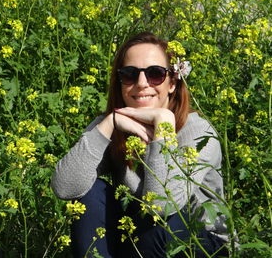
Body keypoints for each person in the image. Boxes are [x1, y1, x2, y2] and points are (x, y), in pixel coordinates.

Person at [51, 32, 228, 257]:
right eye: (130, 74)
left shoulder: (199, 132)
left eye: (155, 74)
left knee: (156, 226)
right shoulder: (114, 123)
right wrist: (108, 125)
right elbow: (65, 188)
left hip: (200, 241)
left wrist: (163, 126)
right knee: (89, 195)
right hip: (139, 234)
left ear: (172, 82)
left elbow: (161, 207)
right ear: (120, 81)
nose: (142, 84)